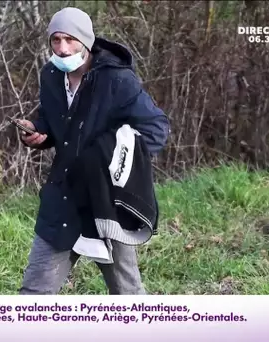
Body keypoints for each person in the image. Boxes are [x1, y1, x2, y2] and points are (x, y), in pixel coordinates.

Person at [17, 7, 170, 295]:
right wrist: (39, 131)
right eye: (56, 40)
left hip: (107, 202)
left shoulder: (117, 80)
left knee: (128, 297)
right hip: (63, 196)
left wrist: (108, 156)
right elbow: (55, 122)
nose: (62, 49)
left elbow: (156, 128)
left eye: (70, 40)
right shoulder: (50, 75)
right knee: (33, 295)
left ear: (86, 41)